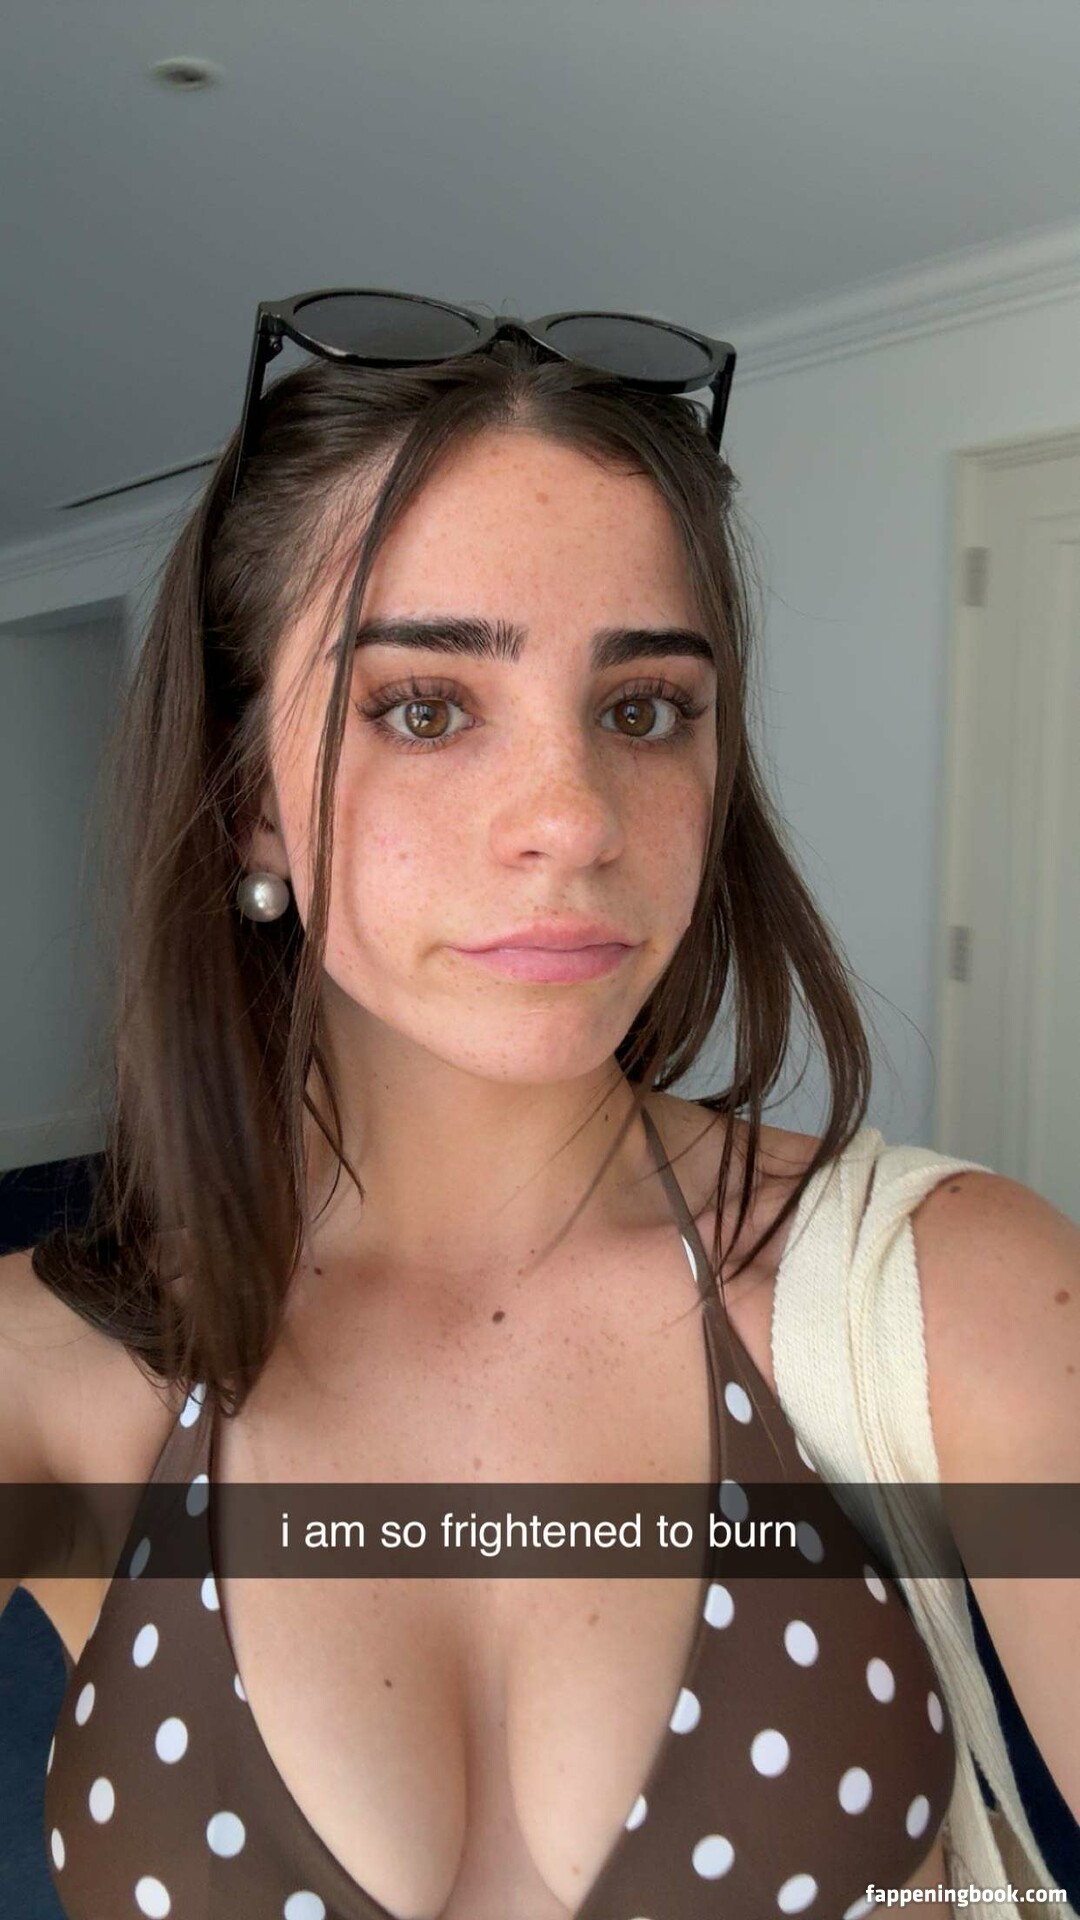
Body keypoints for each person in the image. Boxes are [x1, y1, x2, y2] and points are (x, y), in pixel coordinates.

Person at [1, 299, 1076, 1920]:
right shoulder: (51, 1378)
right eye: (425, 707)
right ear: (248, 800)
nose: (574, 820)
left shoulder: (956, 1296)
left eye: (643, 709)